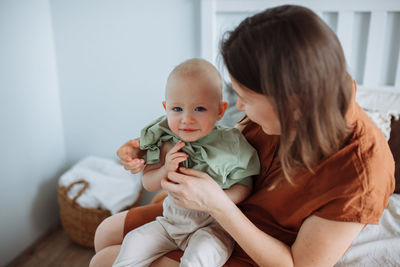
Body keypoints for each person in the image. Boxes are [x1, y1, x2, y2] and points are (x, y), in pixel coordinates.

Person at [91, 5, 395, 267]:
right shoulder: (305, 90)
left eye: (245, 98)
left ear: (292, 103)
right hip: (214, 210)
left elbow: (297, 264)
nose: (239, 107)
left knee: (105, 260)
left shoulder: (361, 171)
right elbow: (220, 137)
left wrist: (218, 205)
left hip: (262, 245)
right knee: (105, 232)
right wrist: (147, 147)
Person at [111, 58, 260, 267]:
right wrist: (165, 169)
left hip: (213, 228)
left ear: (220, 110)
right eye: (177, 109)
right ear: (166, 107)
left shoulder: (232, 144)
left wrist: (219, 200)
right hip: (171, 224)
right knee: (134, 241)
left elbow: (246, 185)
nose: (186, 119)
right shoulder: (165, 140)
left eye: (199, 109)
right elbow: (148, 183)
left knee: (200, 257)